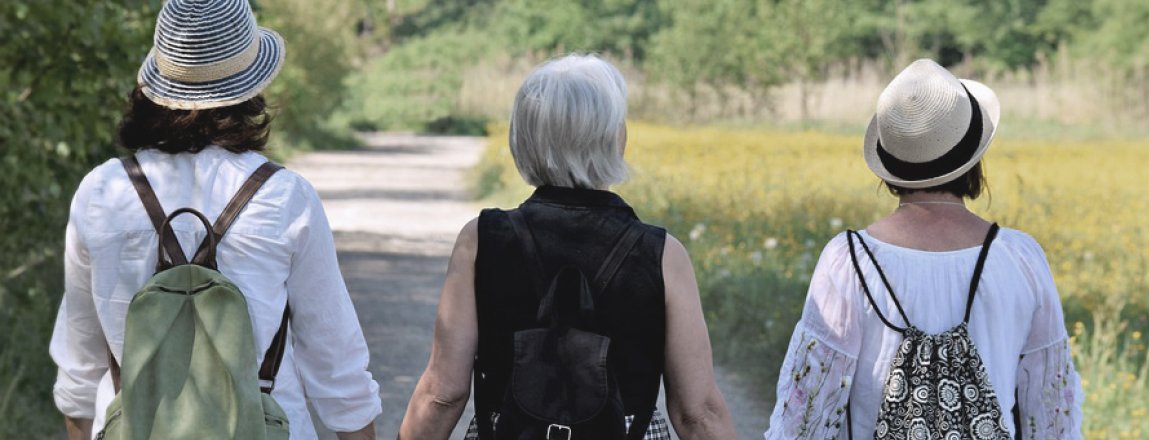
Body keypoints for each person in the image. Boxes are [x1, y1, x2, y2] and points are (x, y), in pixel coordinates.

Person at [49, 0, 380, 438]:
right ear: (250, 88)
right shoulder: (284, 196)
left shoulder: (101, 193)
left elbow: (80, 366)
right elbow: (335, 360)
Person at [397, 54, 737, 440]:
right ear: (616, 138)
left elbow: (442, 394)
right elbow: (698, 413)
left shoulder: (481, 240)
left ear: (523, 137)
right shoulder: (661, 254)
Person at [766, 59, 1083, 439]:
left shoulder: (849, 260)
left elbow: (808, 411)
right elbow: (1050, 408)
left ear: (890, 165)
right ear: (972, 159)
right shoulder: (1020, 257)